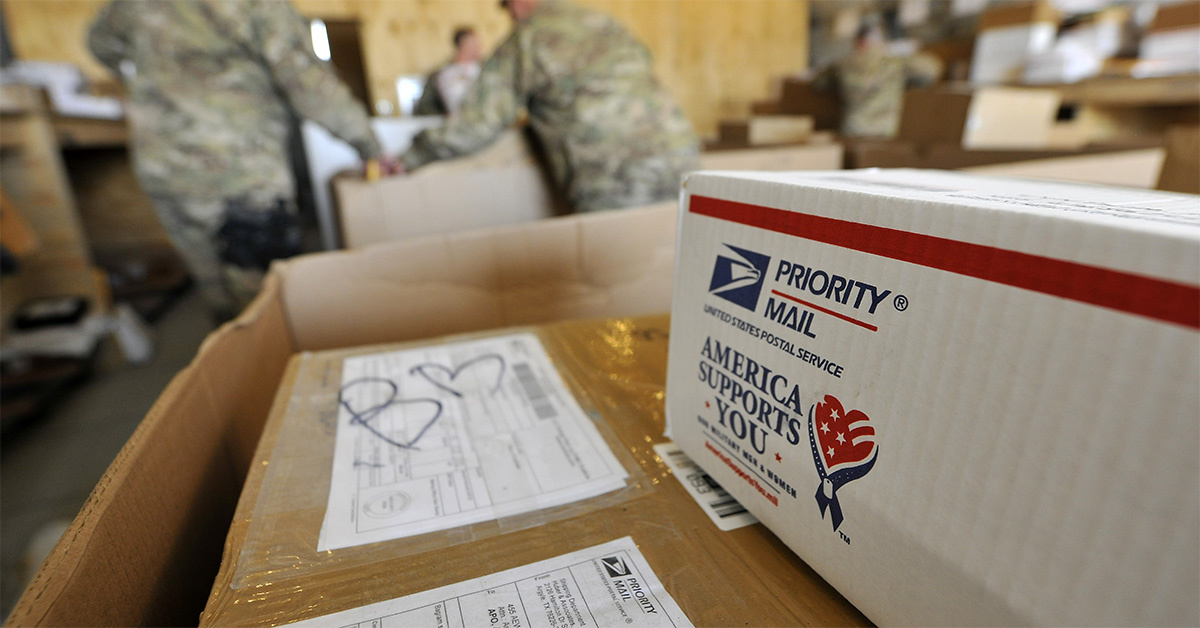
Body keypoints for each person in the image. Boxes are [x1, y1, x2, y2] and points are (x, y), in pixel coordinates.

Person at [88, 0, 385, 320]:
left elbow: (100, 44)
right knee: (267, 298)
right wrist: (372, 148)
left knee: (213, 286)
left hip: (164, 165)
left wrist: (153, 77)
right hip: (240, 169)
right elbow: (310, 84)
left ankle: (231, 349)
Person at [400, 0, 700, 213]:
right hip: (681, 159)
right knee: (685, 272)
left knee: (624, 285)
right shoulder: (602, 22)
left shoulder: (527, 38)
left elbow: (476, 124)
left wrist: (409, 158)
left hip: (615, 176)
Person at [814, 22, 943, 139]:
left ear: (858, 41)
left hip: (852, 130)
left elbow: (819, 83)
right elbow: (932, 71)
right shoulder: (895, 63)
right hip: (884, 131)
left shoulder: (842, 64)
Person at [413, 27, 483, 116]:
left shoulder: (487, 69)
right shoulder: (445, 74)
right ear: (462, 44)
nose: (479, 46)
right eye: (473, 43)